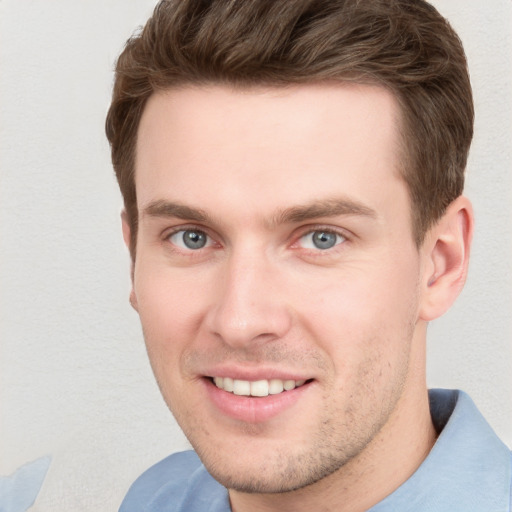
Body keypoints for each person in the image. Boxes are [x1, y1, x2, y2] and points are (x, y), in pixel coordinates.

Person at [105, 0, 512, 510]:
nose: (240, 319)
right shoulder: (154, 498)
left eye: (322, 238)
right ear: (134, 259)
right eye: (192, 237)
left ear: (440, 264)